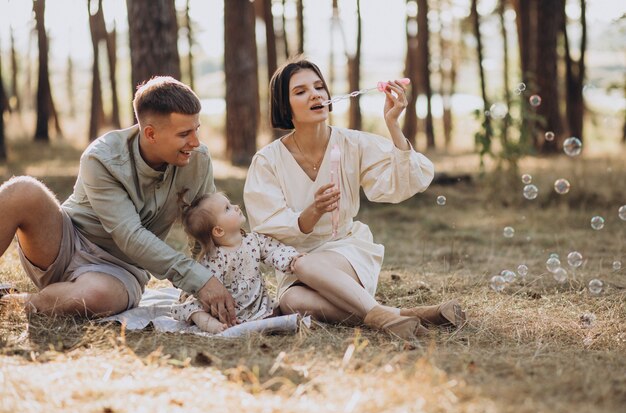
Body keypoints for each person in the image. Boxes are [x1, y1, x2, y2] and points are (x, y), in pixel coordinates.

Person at [243, 57, 466, 339]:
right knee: (291, 302)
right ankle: (399, 316)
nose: (315, 95)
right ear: (284, 106)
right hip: (294, 257)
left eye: (319, 87)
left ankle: (385, 316)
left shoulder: (352, 143)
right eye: (300, 91)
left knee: (306, 265)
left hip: (345, 250)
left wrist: (392, 124)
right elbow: (266, 226)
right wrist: (310, 214)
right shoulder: (268, 160)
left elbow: (404, 181)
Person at [0, 76, 237, 324]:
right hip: (65, 243)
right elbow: (129, 234)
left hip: (120, 270)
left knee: (95, 296)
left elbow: (205, 228)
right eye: (184, 133)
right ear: (150, 133)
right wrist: (196, 278)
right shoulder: (102, 157)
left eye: (196, 129)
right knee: (22, 190)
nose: (195, 142)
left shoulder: (198, 160)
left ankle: (12, 303)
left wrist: (212, 280)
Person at [170, 190, 304, 333]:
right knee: (194, 308)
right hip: (227, 309)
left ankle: (258, 317)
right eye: (227, 208)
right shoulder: (215, 258)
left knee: (274, 310)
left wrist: (291, 259)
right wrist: (216, 313)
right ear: (219, 231)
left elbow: (274, 250)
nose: (236, 206)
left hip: (253, 303)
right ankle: (212, 325)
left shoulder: (254, 241)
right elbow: (208, 290)